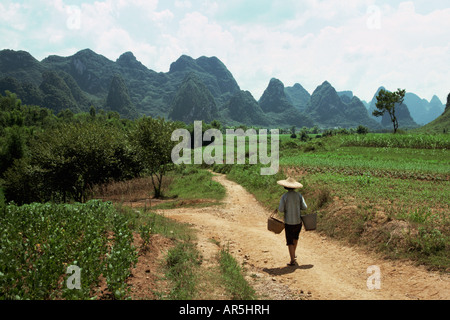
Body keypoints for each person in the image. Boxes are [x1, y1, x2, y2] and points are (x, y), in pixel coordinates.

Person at [277, 177, 307, 266]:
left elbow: (281, 209)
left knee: (289, 241)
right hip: (298, 221)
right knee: (295, 238)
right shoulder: (299, 195)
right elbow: (304, 207)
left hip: (289, 222)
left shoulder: (284, 196)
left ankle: (292, 260)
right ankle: (293, 254)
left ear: (285, 187)